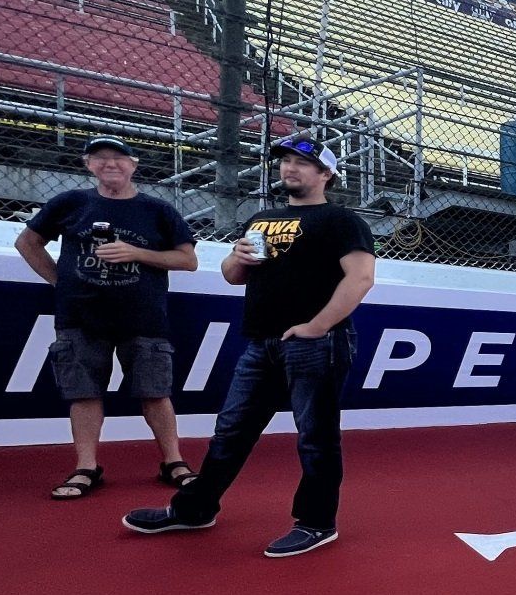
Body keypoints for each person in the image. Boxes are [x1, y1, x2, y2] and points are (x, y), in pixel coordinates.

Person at [123, 139, 375, 557]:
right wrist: (238, 257)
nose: (291, 169)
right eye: (287, 162)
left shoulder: (340, 219)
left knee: (316, 437)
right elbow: (231, 276)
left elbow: (361, 276)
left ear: (325, 174)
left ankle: (316, 522)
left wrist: (318, 325)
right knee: (231, 432)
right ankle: (196, 509)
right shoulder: (262, 218)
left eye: (303, 164)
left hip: (317, 343)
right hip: (261, 341)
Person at [15, 135, 199, 499]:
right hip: (80, 315)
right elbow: (27, 243)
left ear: (134, 165)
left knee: (155, 392)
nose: (110, 163)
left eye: (119, 157)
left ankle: (173, 461)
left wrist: (136, 252)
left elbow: (187, 260)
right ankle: (86, 467)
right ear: (88, 164)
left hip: (144, 316)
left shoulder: (158, 210)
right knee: (83, 393)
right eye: (100, 157)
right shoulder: (71, 202)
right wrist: (59, 281)